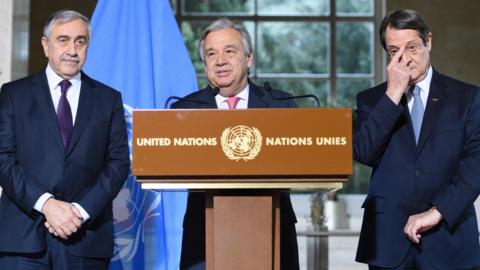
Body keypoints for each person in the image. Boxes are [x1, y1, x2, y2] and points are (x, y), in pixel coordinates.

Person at [0, 10, 130, 270]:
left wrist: (79, 212)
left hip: (84, 238)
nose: (72, 49)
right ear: (45, 45)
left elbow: (117, 164)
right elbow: (3, 159)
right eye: (63, 40)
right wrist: (46, 204)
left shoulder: (108, 99)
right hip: (23, 241)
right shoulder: (14, 94)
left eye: (80, 41)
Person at [354, 9, 480, 270]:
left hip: (450, 237)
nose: (405, 59)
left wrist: (437, 211)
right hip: (388, 241)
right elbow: (364, 152)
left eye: (412, 47)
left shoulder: (467, 98)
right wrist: (392, 96)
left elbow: (476, 166)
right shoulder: (371, 101)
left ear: (429, 42)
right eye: (394, 51)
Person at [171, 19, 299, 270]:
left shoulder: (281, 105)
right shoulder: (184, 110)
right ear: (205, 63)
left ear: (249, 58)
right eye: (211, 54)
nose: (220, 61)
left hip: (272, 229)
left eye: (229, 51)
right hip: (204, 235)